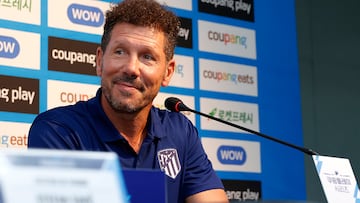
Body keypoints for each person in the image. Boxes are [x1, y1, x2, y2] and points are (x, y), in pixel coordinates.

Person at [28, 0, 228, 202]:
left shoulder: (180, 132)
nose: (131, 68)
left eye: (147, 57)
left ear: (167, 73)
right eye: (120, 52)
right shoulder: (58, 131)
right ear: (99, 61)